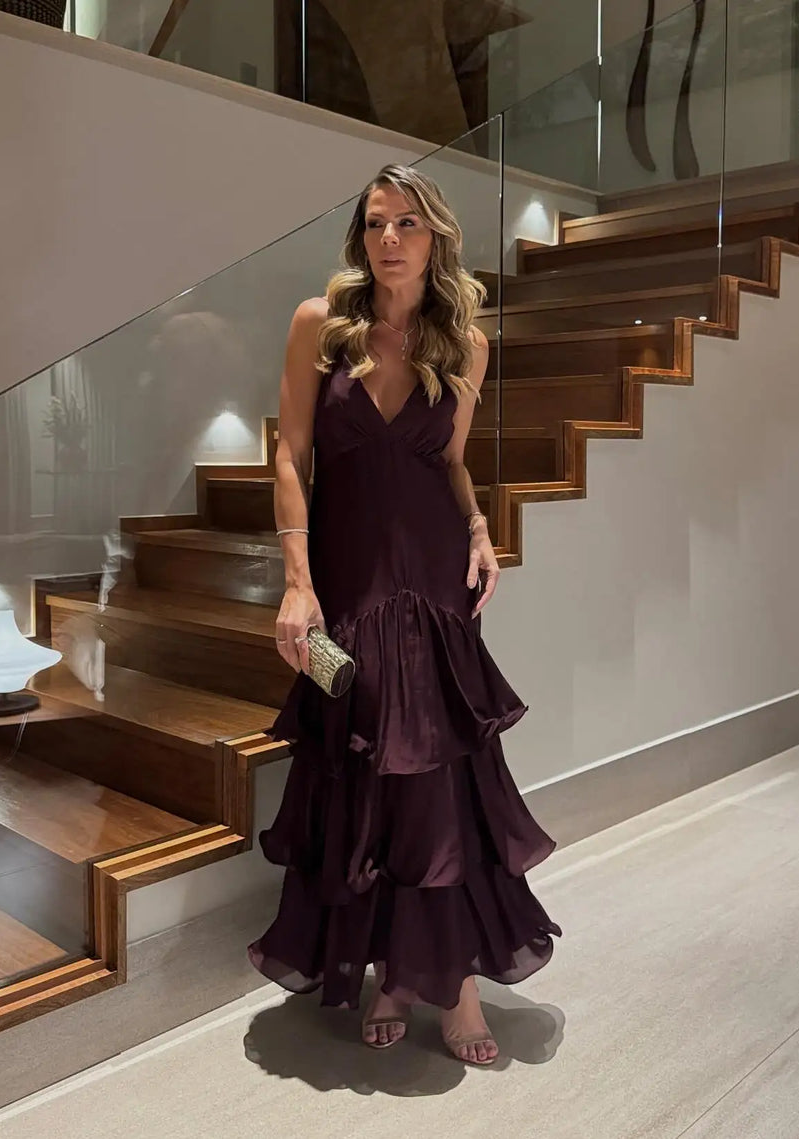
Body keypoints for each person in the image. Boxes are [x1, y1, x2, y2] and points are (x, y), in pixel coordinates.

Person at [248, 164, 561, 1067]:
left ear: (436, 239)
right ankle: (394, 970)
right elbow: (291, 456)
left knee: (435, 781)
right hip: (345, 583)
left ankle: (452, 984)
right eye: (378, 223)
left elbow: (449, 461)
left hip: (431, 584)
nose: (391, 239)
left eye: (409, 224)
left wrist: (478, 524)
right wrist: (297, 581)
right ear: (362, 235)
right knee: (365, 781)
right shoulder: (320, 326)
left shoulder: (464, 342)